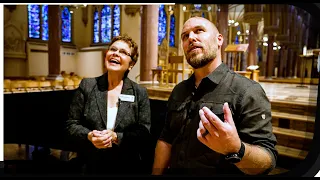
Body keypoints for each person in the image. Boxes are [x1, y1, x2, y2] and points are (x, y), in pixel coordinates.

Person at [152, 17, 278, 176]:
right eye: (185, 36)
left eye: (199, 30)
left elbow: (267, 160)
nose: (191, 38)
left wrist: (235, 149)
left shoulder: (247, 91)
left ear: (219, 40)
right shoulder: (179, 90)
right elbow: (166, 139)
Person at [65, 34, 152, 175]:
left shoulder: (139, 92)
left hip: (126, 165)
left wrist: (116, 137)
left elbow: (144, 132)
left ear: (131, 64)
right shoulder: (88, 85)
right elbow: (71, 125)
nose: (116, 54)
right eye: (113, 49)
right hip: (91, 164)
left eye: (123, 52)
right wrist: (89, 135)